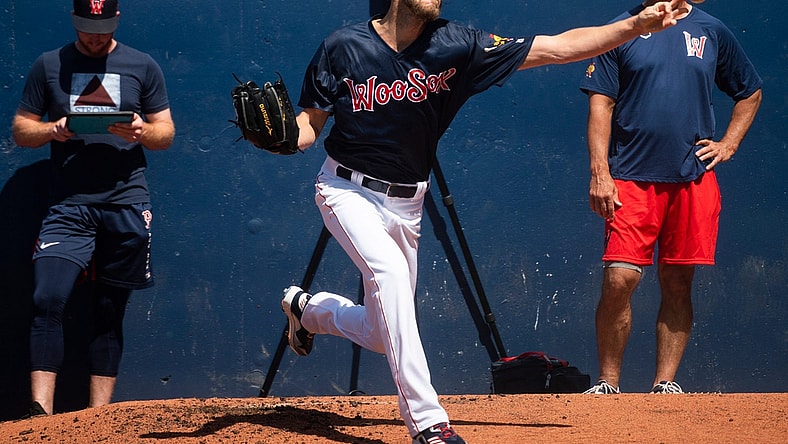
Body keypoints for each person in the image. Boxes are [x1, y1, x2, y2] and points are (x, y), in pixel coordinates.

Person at [280, 0, 685, 442]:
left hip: (408, 203)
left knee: (383, 332)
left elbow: (559, 48)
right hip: (346, 189)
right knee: (389, 274)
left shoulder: (457, 45)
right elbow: (308, 127)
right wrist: (282, 137)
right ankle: (429, 423)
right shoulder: (342, 46)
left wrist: (636, 24)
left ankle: (308, 310)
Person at [579, 0, 762, 395]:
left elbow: (749, 91)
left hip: (691, 180)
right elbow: (601, 104)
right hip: (630, 179)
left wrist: (728, 144)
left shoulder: (711, 30)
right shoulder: (621, 30)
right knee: (619, 280)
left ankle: (665, 384)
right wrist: (600, 172)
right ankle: (607, 384)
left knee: (678, 281)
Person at [12, 0, 175, 416]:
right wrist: (53, 129)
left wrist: (142, 130)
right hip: (68, 206)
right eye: (86, 28)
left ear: (116, 21)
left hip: (126, 202)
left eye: (102, 28)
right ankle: (40, 413)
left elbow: (166, 132)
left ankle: (96, 419)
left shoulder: (142, 65)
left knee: (108, 309)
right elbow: (21, 129)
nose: (94, 36)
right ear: (74, 21)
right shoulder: (49, 65)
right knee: (47, 298)